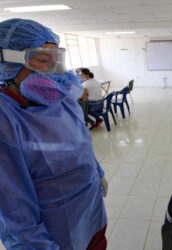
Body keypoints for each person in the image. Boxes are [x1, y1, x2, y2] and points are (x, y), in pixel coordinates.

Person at [0, 18, 108, 249]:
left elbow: (82, 143)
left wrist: (97, 172)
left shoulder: (61, 99)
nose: (53, 71)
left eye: (55, 59)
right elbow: (14, 212)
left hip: (93, 213)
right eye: (42, 60)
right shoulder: (5, 120)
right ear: (8, 62)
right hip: (58, 232)